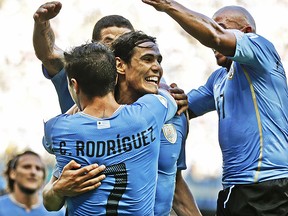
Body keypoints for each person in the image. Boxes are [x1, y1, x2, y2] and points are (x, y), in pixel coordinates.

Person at [33, 2, 202, 216]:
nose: (115, 49)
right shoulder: (84, 107)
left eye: (125, 42)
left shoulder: (175, 112)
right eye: (109, 43)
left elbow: (175, 182)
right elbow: (49, 55)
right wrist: (57, 190)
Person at [142, 0, 288, 215]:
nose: (212, 39)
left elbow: (214, 37)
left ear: (246, 32)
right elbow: (182, 107)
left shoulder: (260, 48)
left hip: (267, 185)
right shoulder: (218, 79)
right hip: (234, 188)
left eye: (221, 25)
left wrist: (168, 5)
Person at [43, 41, 178, 215]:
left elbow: (50, 205)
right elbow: (168, 97)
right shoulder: (149, 112)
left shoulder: (57, 129)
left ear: (75, 85)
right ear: (114, 78)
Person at [0, 150, 65, 216]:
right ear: (12, 173)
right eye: (26, 167)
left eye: (38, 168)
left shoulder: (59, 213)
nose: (33, 172)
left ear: (43, 177)